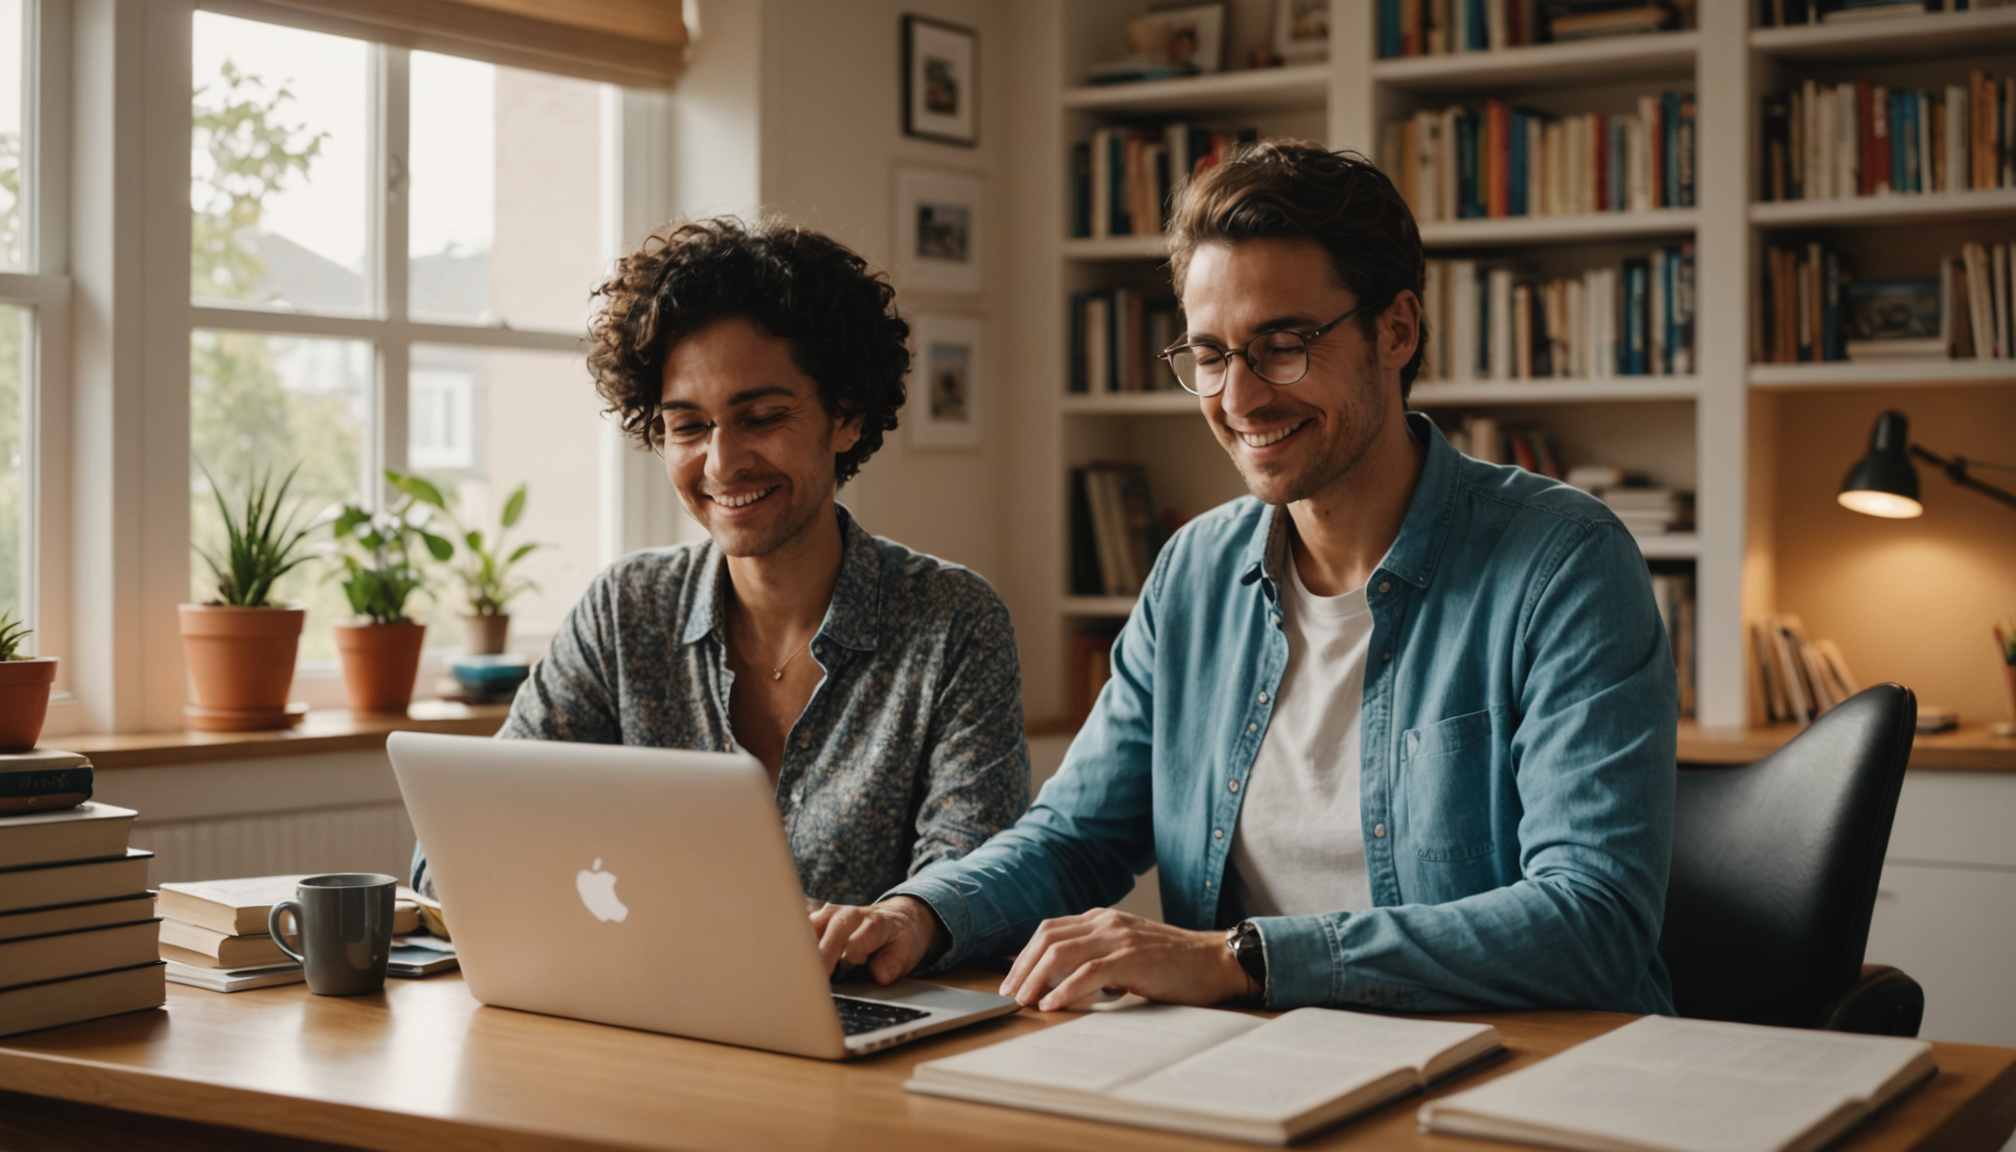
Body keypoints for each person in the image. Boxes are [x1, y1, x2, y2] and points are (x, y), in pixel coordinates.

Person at [811, 142, 1678, 1015]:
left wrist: (1241, 961)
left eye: (1283, 345)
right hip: (1252, 1078)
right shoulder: (1194, 571)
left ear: (1398, 329)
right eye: (1211, 355)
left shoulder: (1564, 564)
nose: (1241, 399)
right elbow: (1075, 836)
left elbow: (1593, 920)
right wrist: (919, 914)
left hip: (1521, 1077)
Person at [411, 217, 1029, 907]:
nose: (723, 462)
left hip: (866, 1007)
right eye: (688, 426)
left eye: (761, 417)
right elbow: (451, 857)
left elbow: (979, 886)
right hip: (642, 1005)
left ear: (846, 416)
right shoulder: (626, 611)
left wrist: (908, 919)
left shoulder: (951, 622)